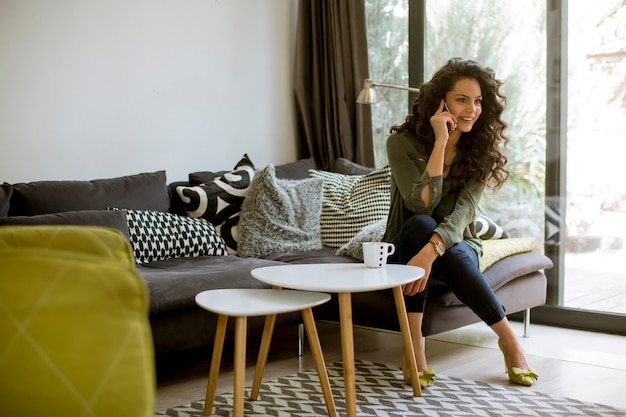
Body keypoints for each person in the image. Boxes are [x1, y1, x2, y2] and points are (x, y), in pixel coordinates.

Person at [383, 57, 538, 388]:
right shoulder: (401, 143)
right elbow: (419, 203)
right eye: (462, 100)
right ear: (440, 101)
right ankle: (414, 347)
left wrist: (431, 252)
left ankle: (509, 340)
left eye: (478, 101)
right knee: (422, 222)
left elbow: (464, 212)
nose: (472, 109)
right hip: (407, 241)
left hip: (457, 243)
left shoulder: (479, 150)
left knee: (450, 249)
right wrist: (440, 142)